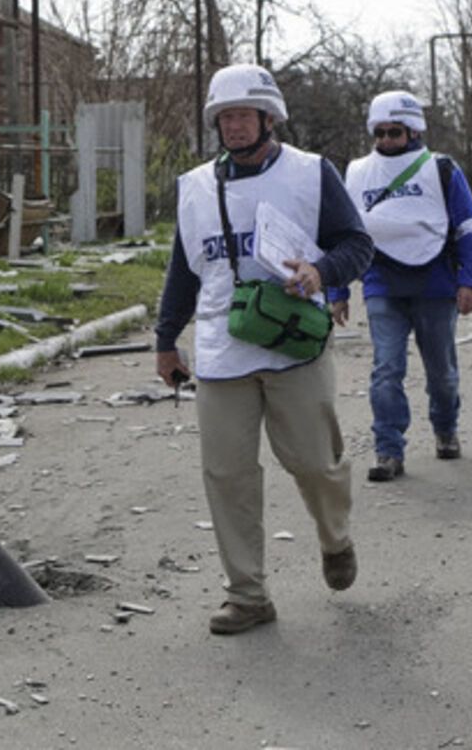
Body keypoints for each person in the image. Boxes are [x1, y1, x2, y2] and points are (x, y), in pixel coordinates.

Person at [155, 63, 374, 635]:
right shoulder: (196, 186)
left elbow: (357, 243)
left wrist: (322, 271)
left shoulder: (310, 173)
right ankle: (248, 594)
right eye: (224, 116)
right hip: (223, 347)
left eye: (243, 115)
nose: (233, 126)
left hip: (294, 343)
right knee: (226, 473)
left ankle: (335, 537)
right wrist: (165, 340)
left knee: (315, 463)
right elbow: (183, 270)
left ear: (268, 118)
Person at [328, 91, 472, 481]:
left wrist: (470, 280)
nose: (384, 141)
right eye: (378, 133)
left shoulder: (442, 169)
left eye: (393, 132)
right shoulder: (358, 172)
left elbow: (467, 226)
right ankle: (388, 450)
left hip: (436, 285)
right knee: (386, 369)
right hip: (382, 282)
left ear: (413, 132)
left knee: (442, 374)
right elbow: (343, 234)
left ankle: (446, 428)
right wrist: (338, 290)